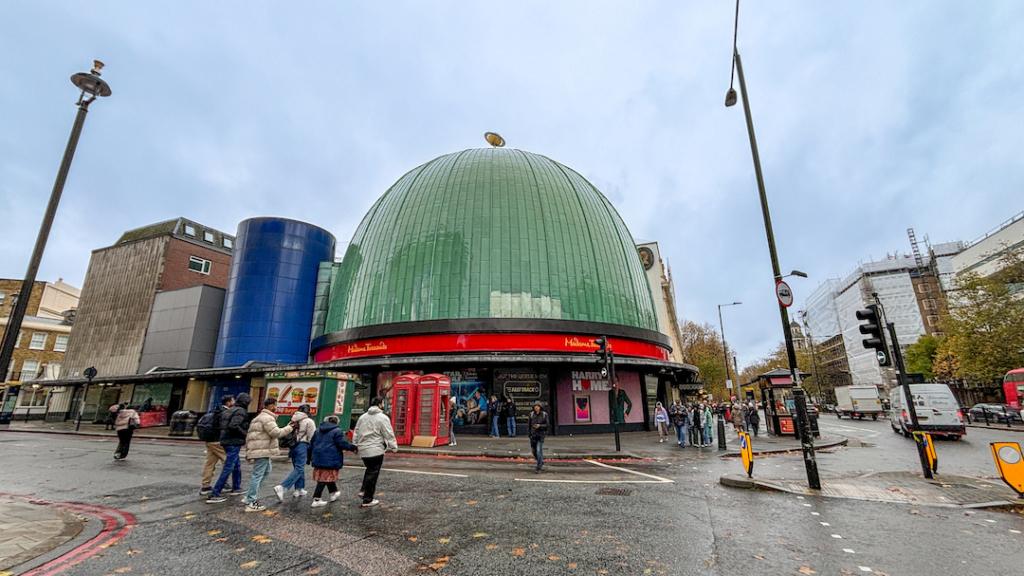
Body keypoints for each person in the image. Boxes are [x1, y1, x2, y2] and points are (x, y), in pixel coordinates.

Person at [240, 397, 294, 512]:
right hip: (262, 450)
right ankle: (251, 501)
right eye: (275, 405)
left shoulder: (258, 417)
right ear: (271, 406)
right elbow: (276, 433)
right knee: (258, 475)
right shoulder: (267, 418)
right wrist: (290, 427)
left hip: (260, 450)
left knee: (266, 471)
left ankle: (249, 496)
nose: (276, 407)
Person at [353, 396, 398, 508]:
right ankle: (367, 500)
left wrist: (355, 444)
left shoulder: (363, 417)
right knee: (373, 473)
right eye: (382, 403)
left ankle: (363, 490)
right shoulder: (382, 417)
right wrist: (394, 447)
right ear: (380, 404)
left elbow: (356, 431)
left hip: (363, 449)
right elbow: (388, 433)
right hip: (375, 449)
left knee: (369, 470)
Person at [207, 393, 250, 504]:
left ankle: (236, 487)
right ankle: (215, 493)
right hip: (233, 441)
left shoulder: (229, 410)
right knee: (229, 467)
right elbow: (233, 425)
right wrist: (245, 434)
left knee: (236, 465)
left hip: (225, 440)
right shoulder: (240, 411)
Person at [309, 414, 358, 508]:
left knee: (326, 476)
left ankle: (333, 493)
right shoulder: (337, 431)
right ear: (336, 422)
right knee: (323, 479)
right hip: (330, 457)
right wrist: (353, 447)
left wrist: (310, 457)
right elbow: (342, 444)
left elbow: (312, 444)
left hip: (318, 457)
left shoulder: (318, 430)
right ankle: (316, 499)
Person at [274, 403, 317, 501]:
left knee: (297, 467)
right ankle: (282, 487)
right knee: (299, 468)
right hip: (303, 445)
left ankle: (299, 489)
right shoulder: (309, 421)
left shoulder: (293, 419)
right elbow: (312, 437)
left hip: (293, 446)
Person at [199, 396, 232, 495]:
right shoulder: (226, 413)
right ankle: (223, 483)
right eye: (232, 400)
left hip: (209, 440)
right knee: (229, 461)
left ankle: (205, 486)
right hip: (218, 440)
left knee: (209, 463)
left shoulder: (215, 410)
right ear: (229, 402)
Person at [528, 402, 549, 473]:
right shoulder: (531, 414)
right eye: (535, 406)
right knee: (534, 452)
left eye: (538, 406)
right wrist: (529, 434)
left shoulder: (544, 414)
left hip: (540, 435)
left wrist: (540, 426)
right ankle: (540, 461)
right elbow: (529, 425)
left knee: (538, 450)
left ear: (540, 407)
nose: (536, 407)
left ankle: (538, 467)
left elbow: (547, 425)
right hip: (533, 435)